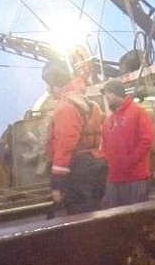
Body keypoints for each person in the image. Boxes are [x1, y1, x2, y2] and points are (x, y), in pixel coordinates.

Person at [41, 58, 106, 216]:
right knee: (96, 215)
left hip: (77, 173)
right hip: (95, 167)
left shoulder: (65, 108)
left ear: (54, 83)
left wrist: (56, 184)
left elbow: (64, 147)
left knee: (81, 221)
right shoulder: (91, 104)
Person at [99, 79, 155, 209]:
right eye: (105, 93)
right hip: (113, 179)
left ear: (118, 93)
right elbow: (105, 146)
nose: (106, 97)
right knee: (114, 220)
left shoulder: (138, 112)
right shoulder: (108, 120)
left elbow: (146, 141)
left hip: (135, 179)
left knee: (136, 218)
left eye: (109, 92)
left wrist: (129, 163)